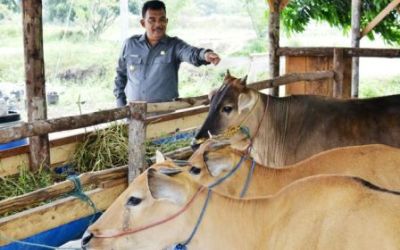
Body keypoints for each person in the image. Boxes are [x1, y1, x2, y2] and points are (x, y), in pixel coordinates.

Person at [114, 0, 221, 107]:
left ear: (166, 21)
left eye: (162, 20)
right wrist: (121, 106)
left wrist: (205, 54)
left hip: (165, 115)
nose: (158, 24)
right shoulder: (130, 45)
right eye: (152, 20)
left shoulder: (174, 45)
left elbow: (191, 53)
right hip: (134, 114)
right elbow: (120, 76)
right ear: (143, 23)